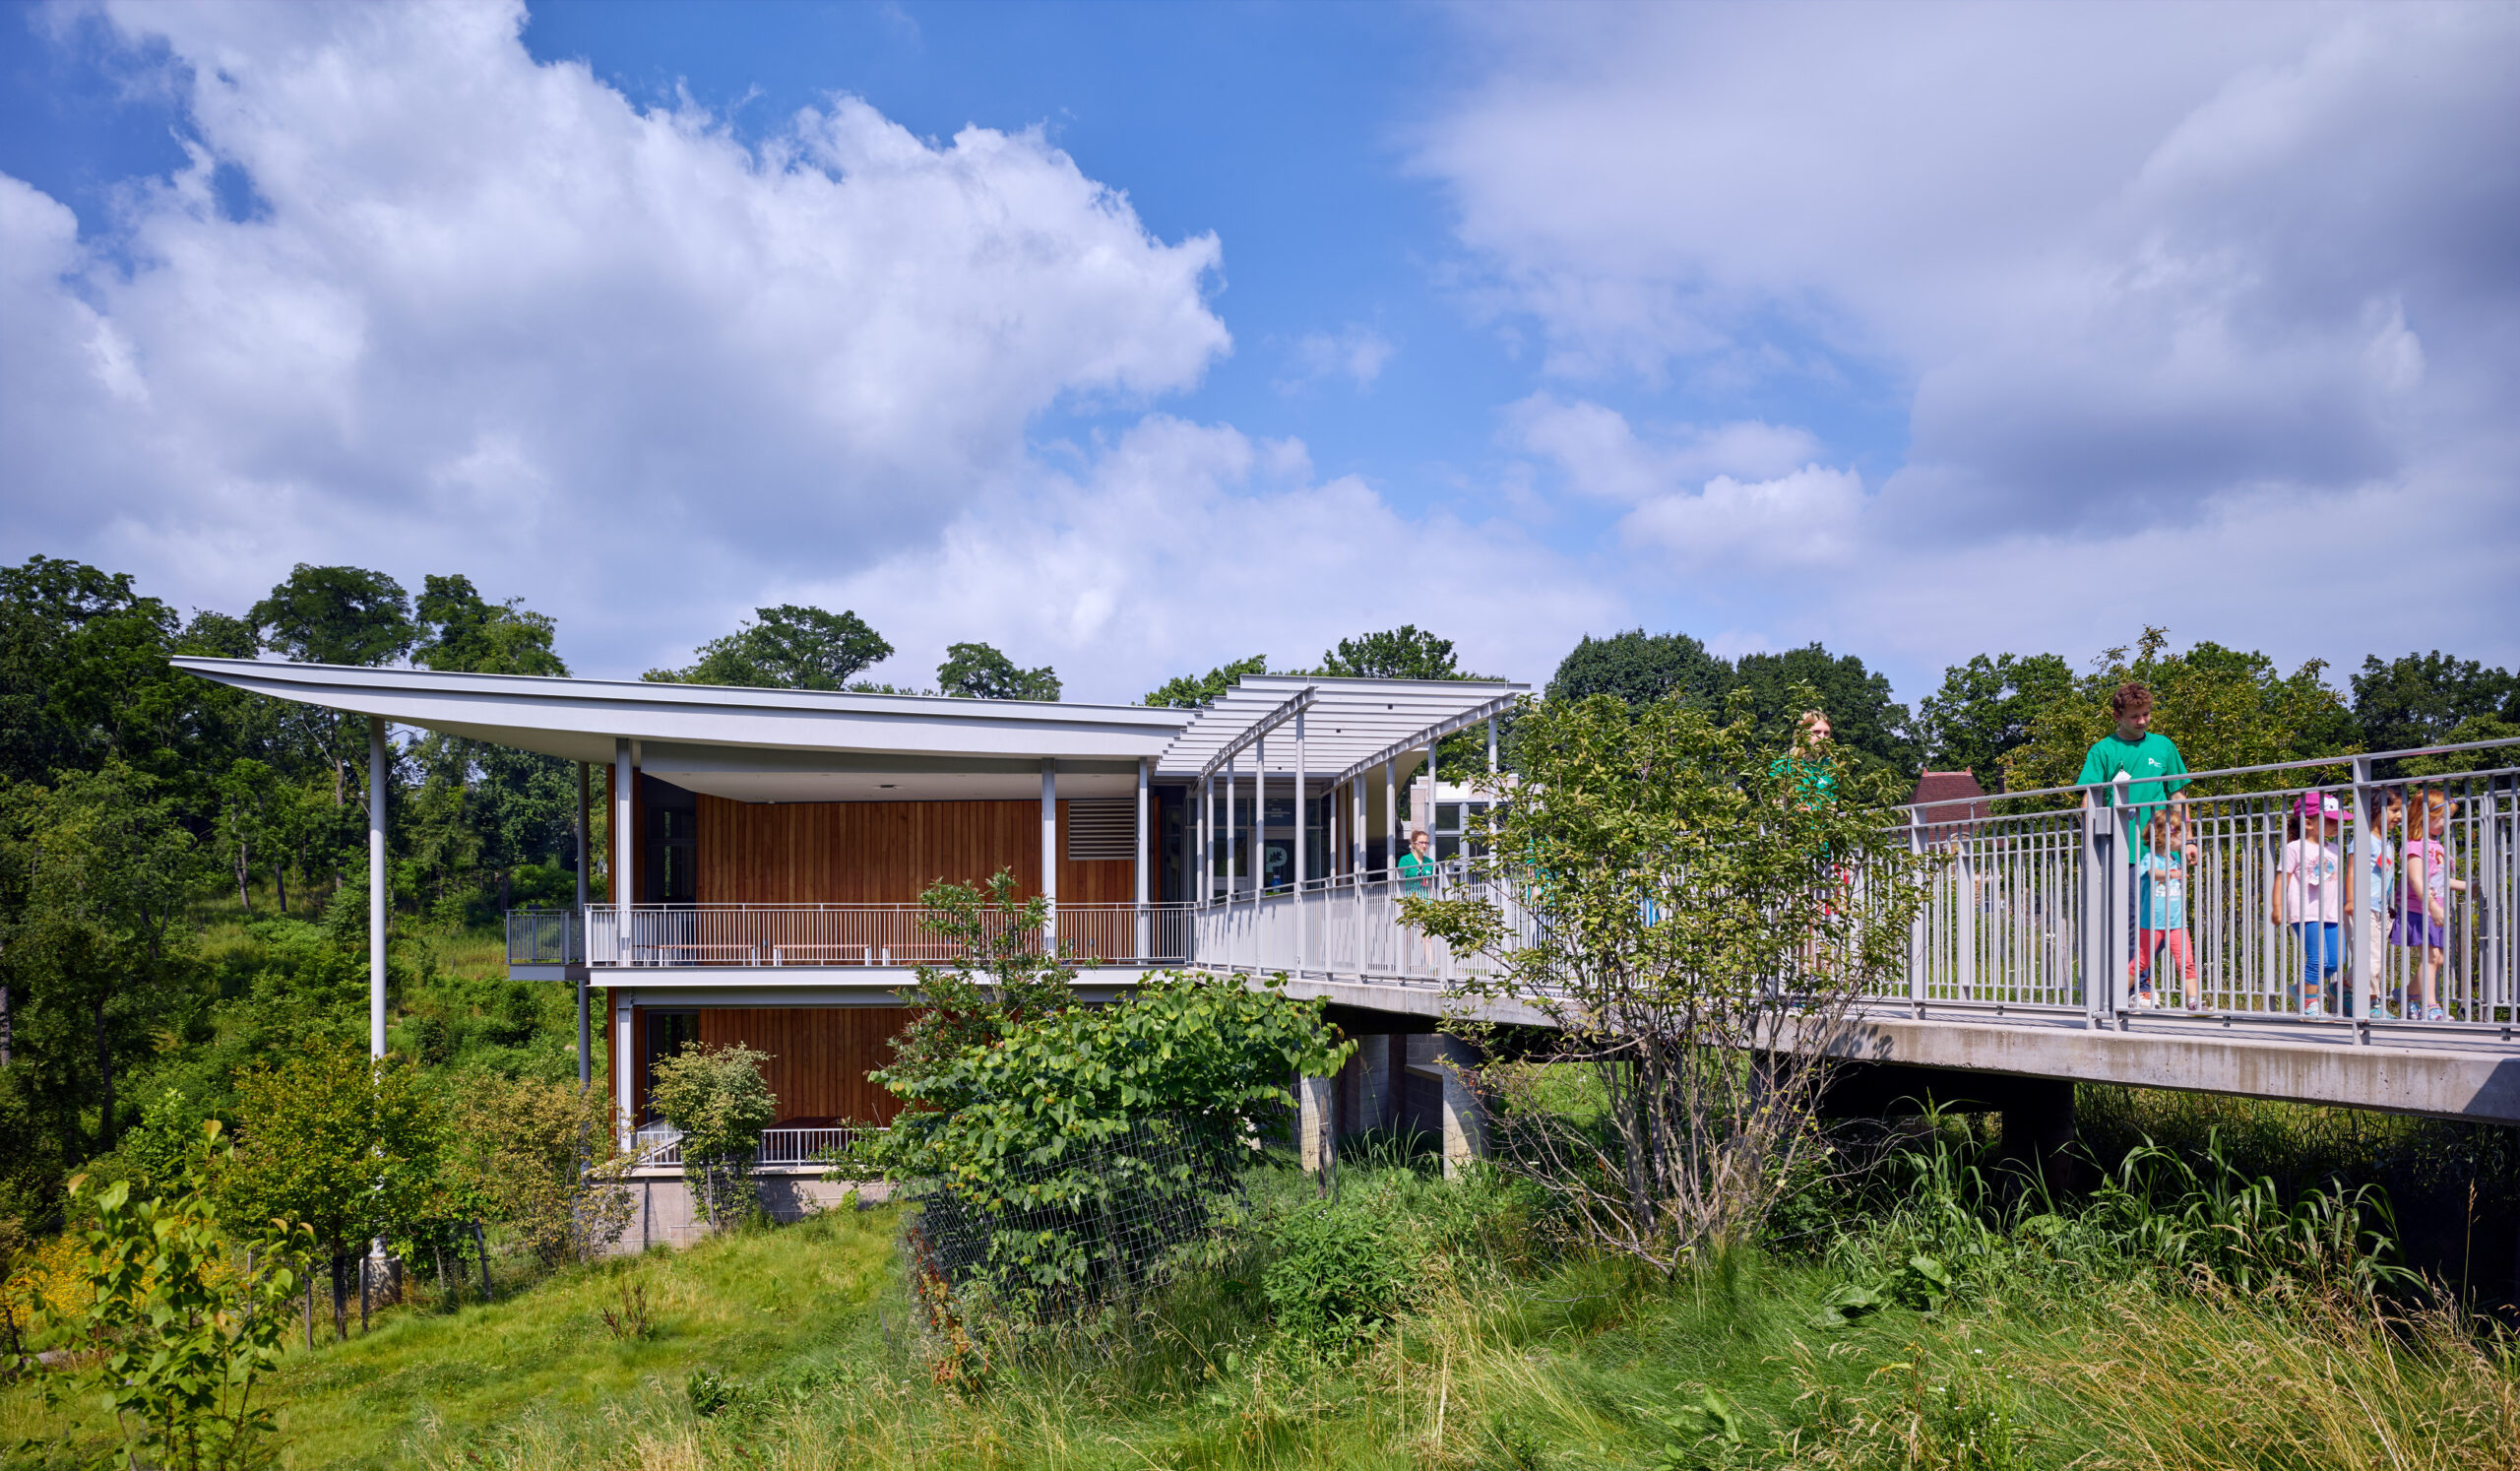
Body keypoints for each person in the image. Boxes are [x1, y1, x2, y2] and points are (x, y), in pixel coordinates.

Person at [2274, 793, 2349, 1018]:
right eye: (2331, 820)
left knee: (2336, 961)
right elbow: (2281, 879)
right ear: (2308, 821)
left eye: (2338, 820)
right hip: (2305, 911)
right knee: (2317, 959)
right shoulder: (2295, 848)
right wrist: (2277, 907)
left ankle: (2300, 989)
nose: (2337, 824)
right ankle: (2310, 1004)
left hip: (2332, 912)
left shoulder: (2334, 848)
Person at [2394, 788, 2466, 1022]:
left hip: (2435, 907)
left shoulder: (2437, 846)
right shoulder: (2415, 845)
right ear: (2425, 817)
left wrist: (2470, 886)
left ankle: (2409, 995)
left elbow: (2440, 879)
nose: (2447, 823)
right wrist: (2433, 907)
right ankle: (2431, 1005)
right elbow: (2416, 879)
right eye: (2442, 817)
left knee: (2438, 959)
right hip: (2420, 908)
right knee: (2433, 958)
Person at [2128, 806, 2200, 1010]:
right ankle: (2119, 998)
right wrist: (2172, 875)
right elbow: (2152, 872)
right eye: (2182, 836)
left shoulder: (2175, 859)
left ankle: (2194, 1003)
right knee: (2140, 964)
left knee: (2186, 962)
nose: (2185, 840)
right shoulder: (2149, 858)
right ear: (2167, 836)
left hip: (2177, 923)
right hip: (2151, 923)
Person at [2350, 789, 2403, 1019]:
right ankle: (2371, 1004)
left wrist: (2389, 902)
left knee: (2374, 958)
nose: (2399, 816)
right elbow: (2352, 870)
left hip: (2382, 909)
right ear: (2375, 810)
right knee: (2372, 960)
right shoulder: (2364, 839)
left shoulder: (2388, 842)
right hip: (2362, 906)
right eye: (2394, 811)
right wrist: (2351, 900)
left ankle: (2342, 985)